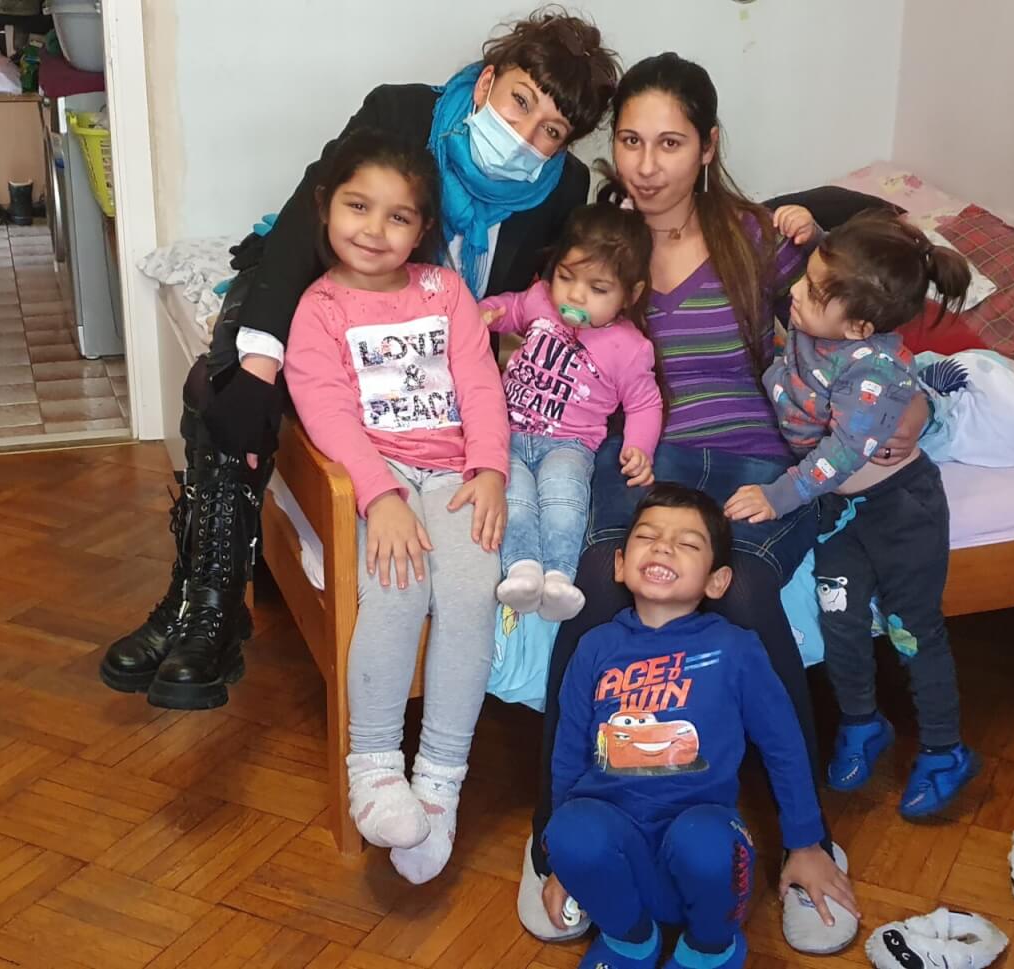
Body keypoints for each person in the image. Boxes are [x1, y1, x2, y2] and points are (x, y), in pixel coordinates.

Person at [523, 52, 928, 955]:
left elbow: (869, 307)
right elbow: (537, 321)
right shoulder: (602, 242)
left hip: (757, 457)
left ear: (708, 146)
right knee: (598, 584)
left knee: (742, 592)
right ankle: (557, 839)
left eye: (669, 143)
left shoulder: (759, 235)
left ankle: (806, 842)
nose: (646, 166)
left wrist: (914, 404)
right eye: (631, 141)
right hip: (649, 459)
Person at [99, 11, 618, 710]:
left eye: (550, 130)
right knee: (226, 388)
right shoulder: (402, 113)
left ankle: (195, 611)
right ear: (488, 80)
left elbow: (534, 297)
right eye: (519, 101)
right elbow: (305, 220)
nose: (525, 136)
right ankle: (206, 605)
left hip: (427, 333)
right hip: (332, 288)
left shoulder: (561, 188)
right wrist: (260, 362)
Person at [280, 130, 510, 884]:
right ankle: (375, 766)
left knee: (472, 591)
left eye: (398, 217)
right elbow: (325, 409)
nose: (374, 230)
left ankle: (440, 781)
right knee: (398, 583)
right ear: (326, 207)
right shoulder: (318, 309)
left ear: (422, 229)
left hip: (453, 474)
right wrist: (379, 495)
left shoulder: (445, 292)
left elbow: (481, 384)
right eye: (358, 207)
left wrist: (490, 469)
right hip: (375, 475)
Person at [726, 210, 980, 818]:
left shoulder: (874, 372)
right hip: (842, 513)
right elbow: (841, 279)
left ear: (861, 326)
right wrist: (813, 237)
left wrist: (778, 495)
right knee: (840, 619)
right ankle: (862, 722)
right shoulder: (828, 315)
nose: (794, 292)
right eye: (807, 279)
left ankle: (945, 749)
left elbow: (838, 457)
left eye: (811, 290)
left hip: (899, 511)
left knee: (912, 631)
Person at [541, 484, 832, 969]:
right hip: (618, 864)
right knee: (568, 830)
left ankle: (709, 951)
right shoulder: (594, 647)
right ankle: (630, 942)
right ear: (620, 564)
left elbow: (783, 744)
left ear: (717, 581)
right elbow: (567, 751)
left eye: (688, 543)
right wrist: (562, 867)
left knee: (706, 841)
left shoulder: (734, 648)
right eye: (647, 536)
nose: (663, 547)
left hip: (704, 850)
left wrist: (805, 842)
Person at [479, 203, 663, 623]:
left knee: (562, 495)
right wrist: (486, 314)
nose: (575, 296)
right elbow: (511, 307)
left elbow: (645, 403)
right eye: (566, 277)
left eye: (597, 289)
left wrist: (639, 447)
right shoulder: (541, 300)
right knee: (513, 495)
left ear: (630, 294)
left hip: (569, 443)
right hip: (507, 431)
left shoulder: (630, 347)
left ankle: (560, 576)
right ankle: (523, 569)